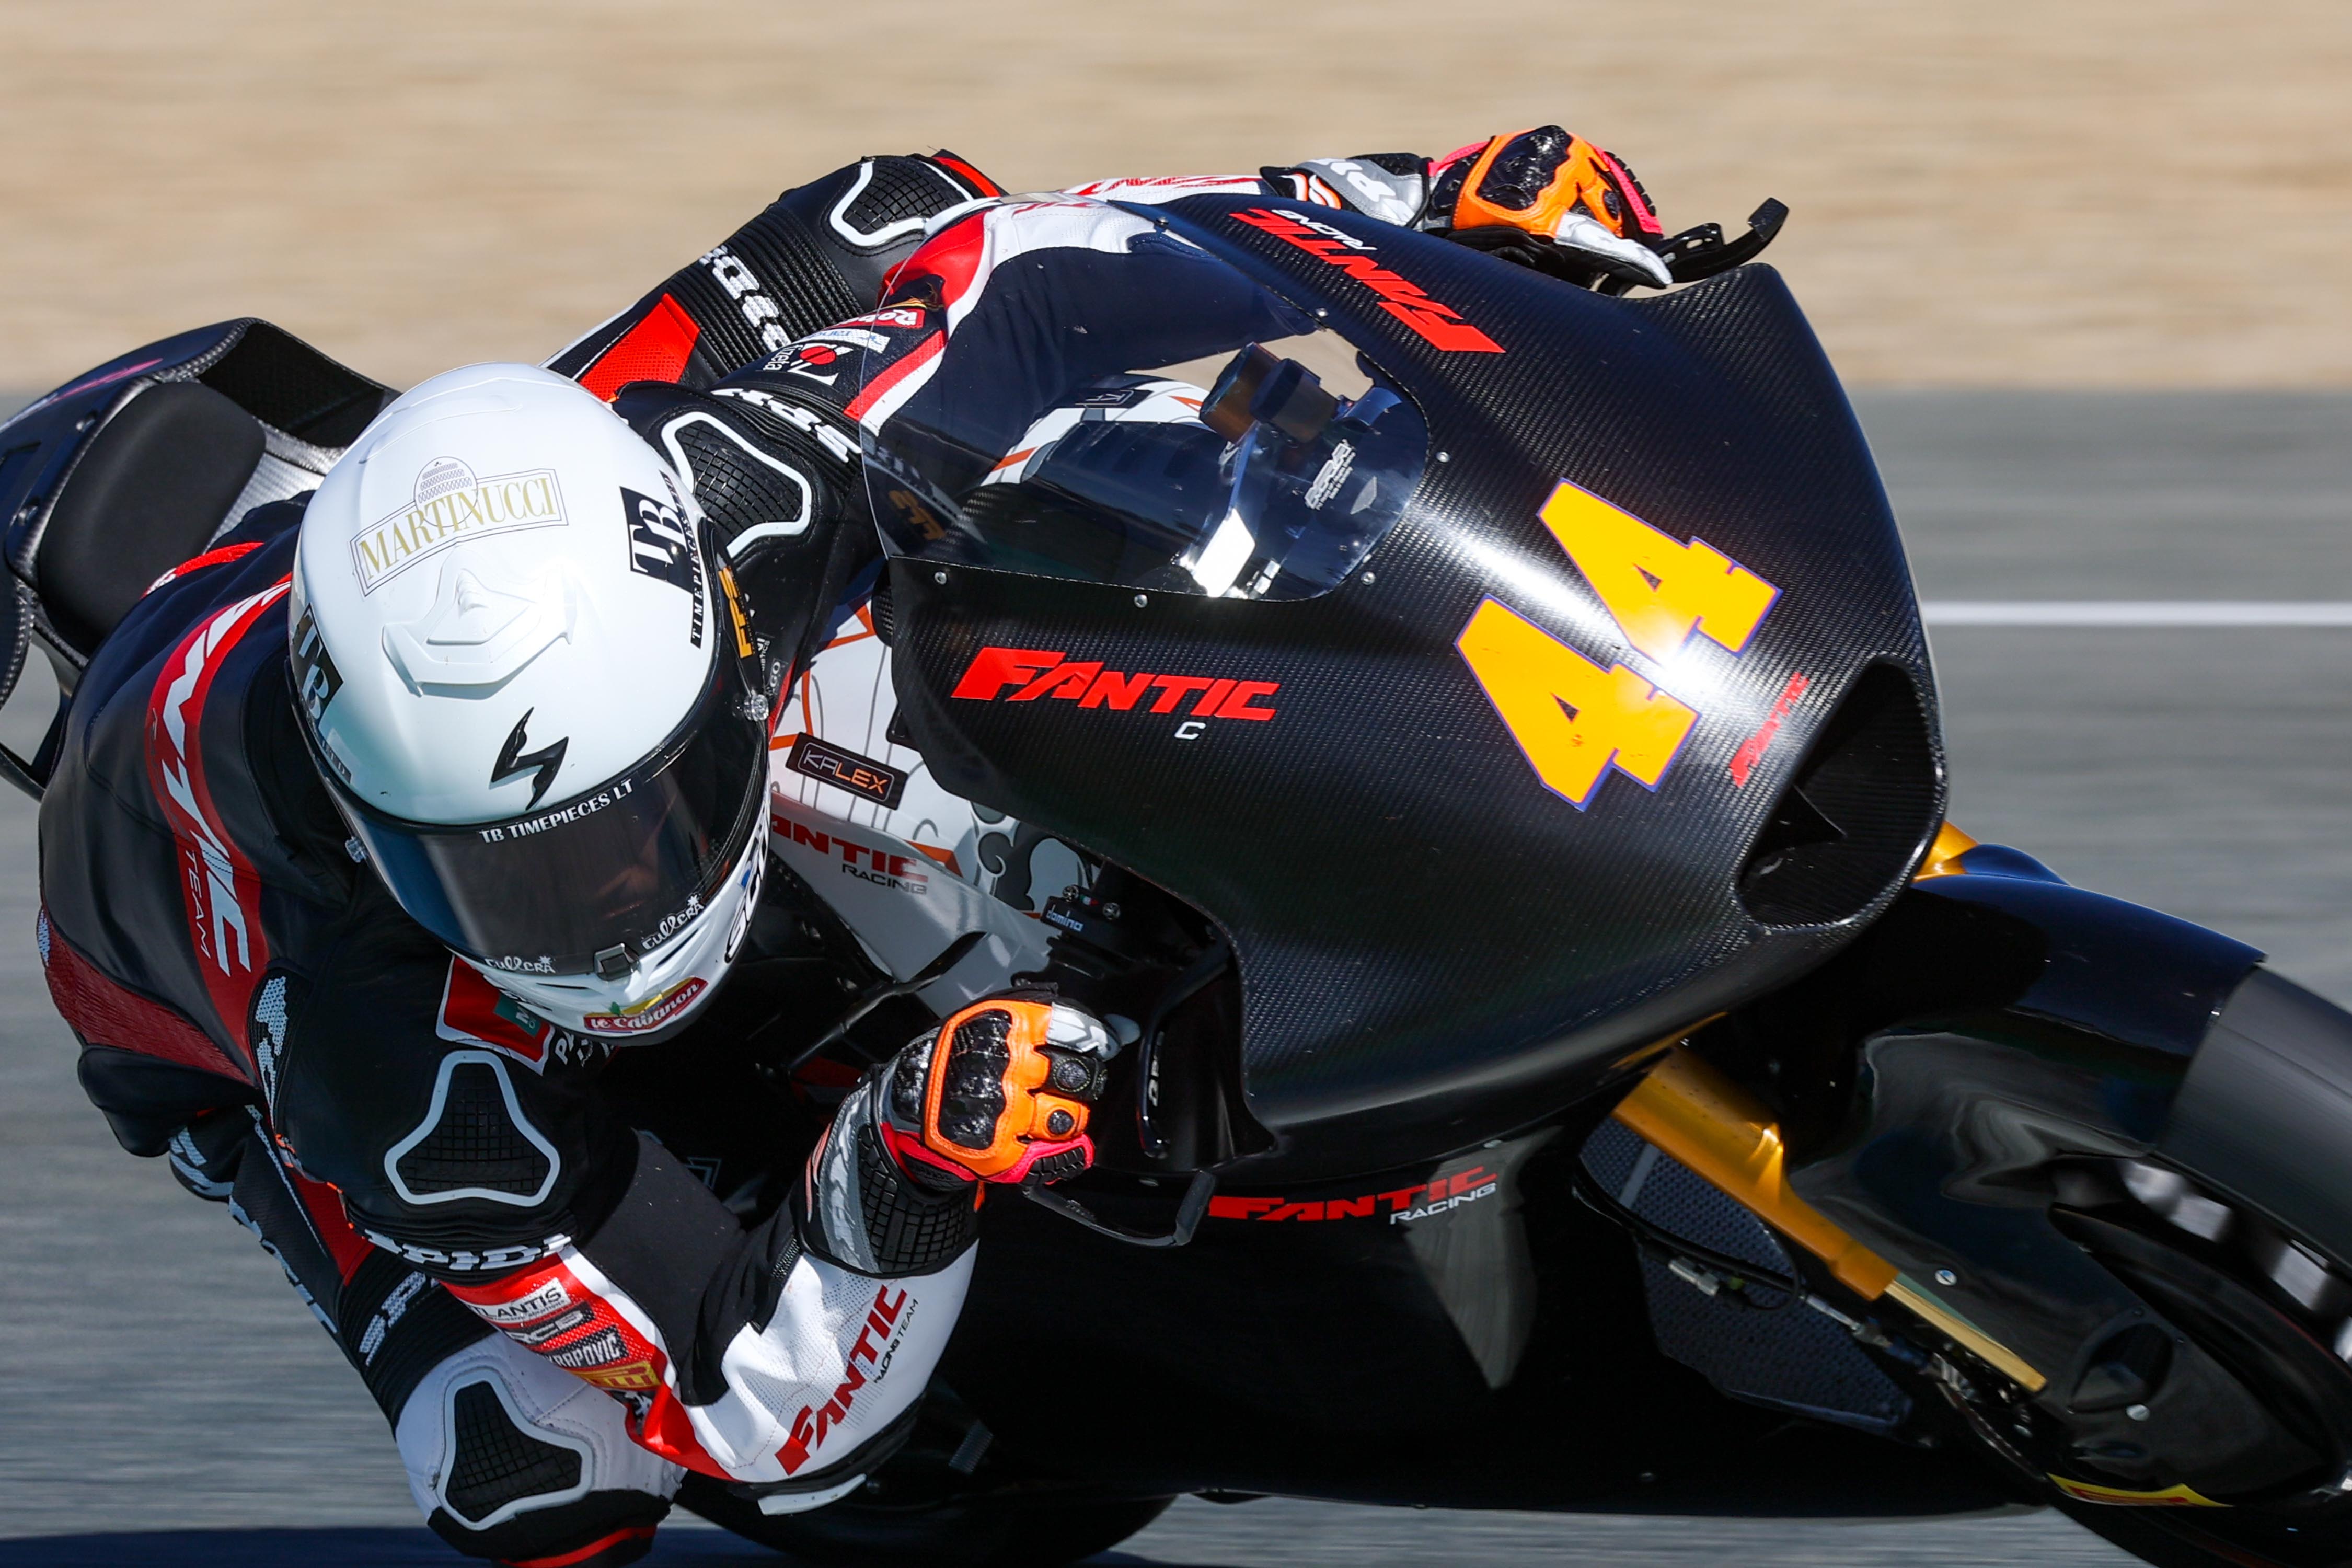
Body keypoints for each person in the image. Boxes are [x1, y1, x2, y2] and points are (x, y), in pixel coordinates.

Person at [32, 129, 1670, 1566]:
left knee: (895, 215)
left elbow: (1023, 274)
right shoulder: (382, 1069)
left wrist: (1423, 210)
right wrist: (900, 1166)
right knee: (535, 1480)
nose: (612, 914)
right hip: (195, 1004)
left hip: (481, 561)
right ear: (389, 834)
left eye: (640, 822)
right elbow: (748, 1413)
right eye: (514, 879)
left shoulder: (735, 499)